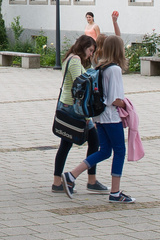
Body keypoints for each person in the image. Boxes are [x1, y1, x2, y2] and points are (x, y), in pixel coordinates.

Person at [61, 35, 133, 203]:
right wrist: (127, 106)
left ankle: (71, 175)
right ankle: (115, 192)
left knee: (105, 151)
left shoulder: (102, 67)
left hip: (99, 117)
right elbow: (114, 99)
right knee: (119, 151)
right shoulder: (114, 69)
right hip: (111, 117)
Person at [52, 34, 106, 194]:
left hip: (70, 105)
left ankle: (84, 180)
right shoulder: (75, 60)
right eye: (90, 50)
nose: (91, 54)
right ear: (83, 47)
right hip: (73, 108)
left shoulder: (71, 58)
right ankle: (87, 180)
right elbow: (80, 83)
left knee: (73, 143)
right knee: (74, 143)